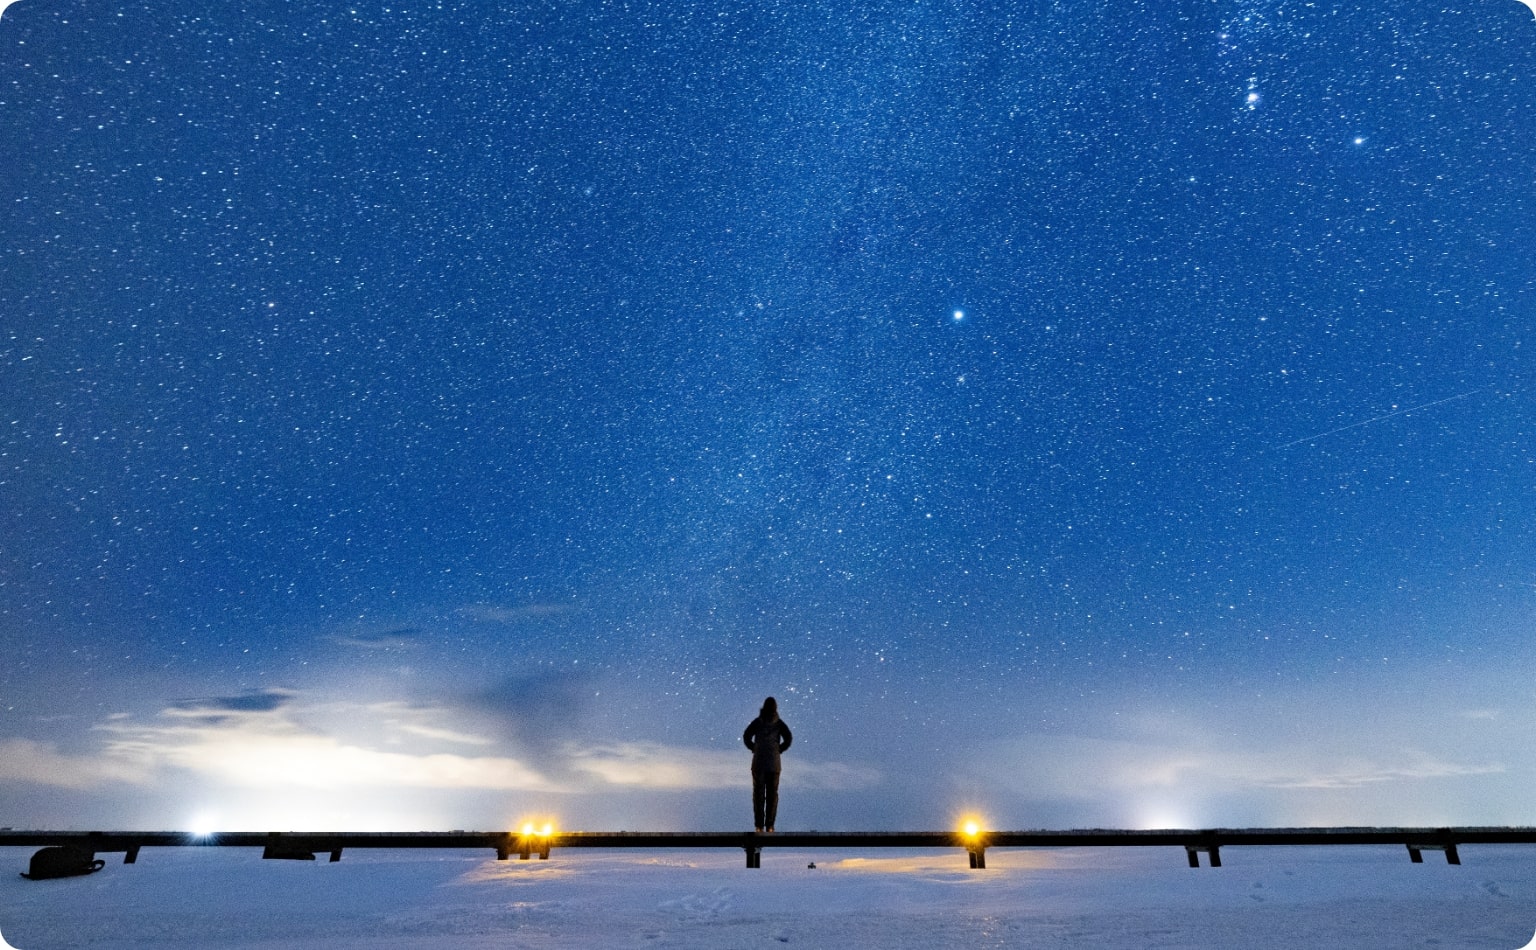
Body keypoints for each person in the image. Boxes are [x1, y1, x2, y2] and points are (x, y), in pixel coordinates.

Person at [742, 696, 792, 833]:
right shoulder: (779, 723)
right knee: (772, 796)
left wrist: (754, 748)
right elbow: (788, 738)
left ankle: (759, 826)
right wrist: (779, 749)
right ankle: (770, 826)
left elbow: (746, 736)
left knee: (758, 796)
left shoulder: (757, 723)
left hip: (758, 763)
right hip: (774, 764)